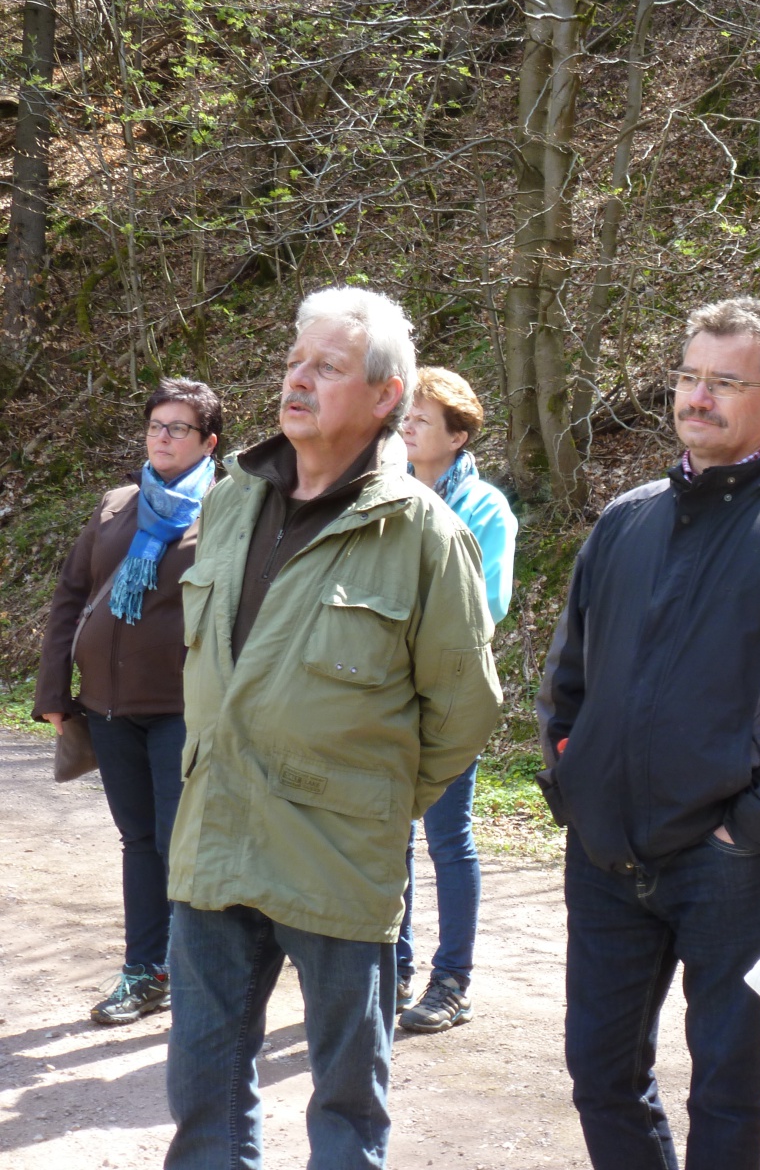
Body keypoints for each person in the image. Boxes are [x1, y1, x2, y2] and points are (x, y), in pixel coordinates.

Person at [536, 296, 760, 1170]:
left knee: (727, 1083)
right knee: (600, 1073)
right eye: (690, 377)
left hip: (731, 860)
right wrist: (568, 774)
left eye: (725, 383)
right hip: (606, 849)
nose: (698, 397)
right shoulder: (627, 519)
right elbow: (569, 669)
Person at [162, 286, 503, 1169]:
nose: (298, 380)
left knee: (347, 1113)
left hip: (339, 859)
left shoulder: (425, 535)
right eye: (294, 361)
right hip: (215, 841)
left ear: (387, 396)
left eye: (328, 367)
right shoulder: (231, 500)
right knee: (203, 1103)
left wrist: (371, 799)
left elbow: (463, 709)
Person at [34, 378, 222, 1025]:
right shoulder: (118, 504)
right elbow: (70, 595)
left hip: (182, 707)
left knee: (178, 844)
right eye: (155, 426)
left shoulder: (225, 513)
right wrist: (54, 691)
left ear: (208, 442)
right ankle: (145, 972)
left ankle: (198, 972)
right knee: (139, 841)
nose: (162, 438)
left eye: (178, 428)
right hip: (108, 707)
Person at [395, 365, 518, 1033]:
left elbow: (488, 602)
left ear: (458, 435)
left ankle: (452, 981)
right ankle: (393, 967)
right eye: (404, 417)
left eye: (422, 419)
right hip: (384, 690)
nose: (407, 427)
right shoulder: (384, 493)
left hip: (448, 694)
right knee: (388, 834)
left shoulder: (485, 508)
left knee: (448, 838)